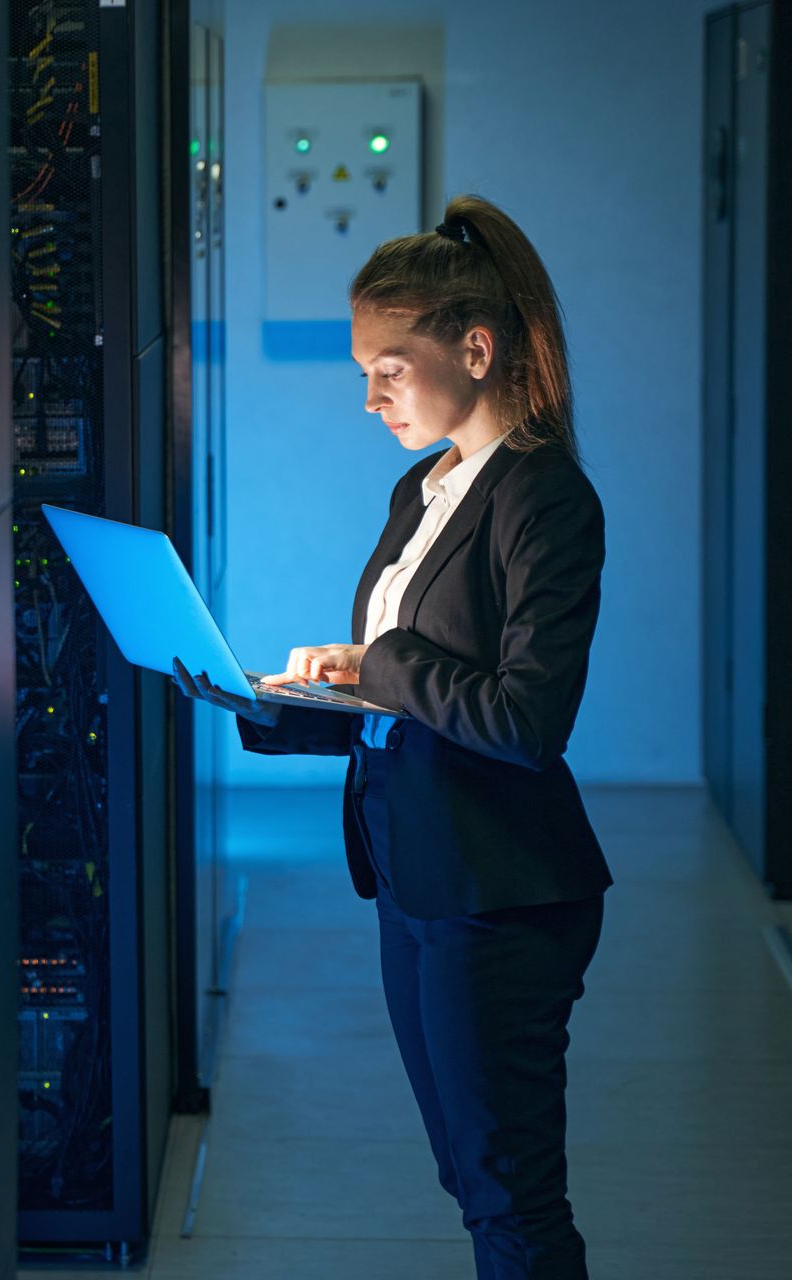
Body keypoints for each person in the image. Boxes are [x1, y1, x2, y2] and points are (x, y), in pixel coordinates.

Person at [171, 192, 612, 1279]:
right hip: (418, 867)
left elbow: (523, 719)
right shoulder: (422, 487)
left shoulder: (546, 498)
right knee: (473, 1178)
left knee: (509, 1191)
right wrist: (270, 704)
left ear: (476, 346)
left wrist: (377, 663)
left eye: (388, 367)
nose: (370, 397)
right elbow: (408, 706)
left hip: (499, 890)